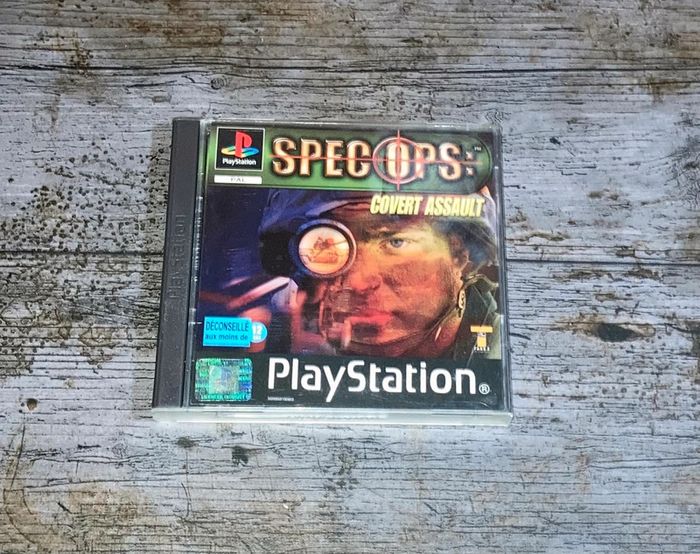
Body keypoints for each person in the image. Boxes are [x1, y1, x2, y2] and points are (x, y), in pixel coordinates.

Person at [257, 189, 501, 360]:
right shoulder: (270, 342)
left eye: (395, 242)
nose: (357, 282)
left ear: (460, 253)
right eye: (327, 246)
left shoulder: (499, 355)